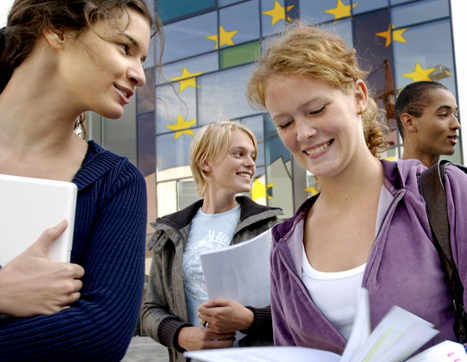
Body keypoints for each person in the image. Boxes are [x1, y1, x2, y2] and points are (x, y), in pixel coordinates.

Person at [247, 23, 467, 354]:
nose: (303, 132)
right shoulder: (283, 246)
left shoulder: (444, 193)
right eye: (285, 123)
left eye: (317, 109)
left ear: (359, 97)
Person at [0, 0, 159, 360]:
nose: (140, 74)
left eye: (141, 59)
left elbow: (99, 336)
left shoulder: (117, 183)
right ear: (56, 30)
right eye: (125, 48)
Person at [141, 121, 282, 362]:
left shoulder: (272, 228)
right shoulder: (171, 232)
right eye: (238, 154)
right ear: (206, 163)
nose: (250, 163)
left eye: (252, 156)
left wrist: (250, 319)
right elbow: (149, 310)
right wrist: (181, 335)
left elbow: (297, 308)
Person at [395, 81, 460, 167]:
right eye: (443, 114)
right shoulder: (385, 178)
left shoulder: (458, 177)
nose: (456, 125)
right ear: (409, 122)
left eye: (455, 115)